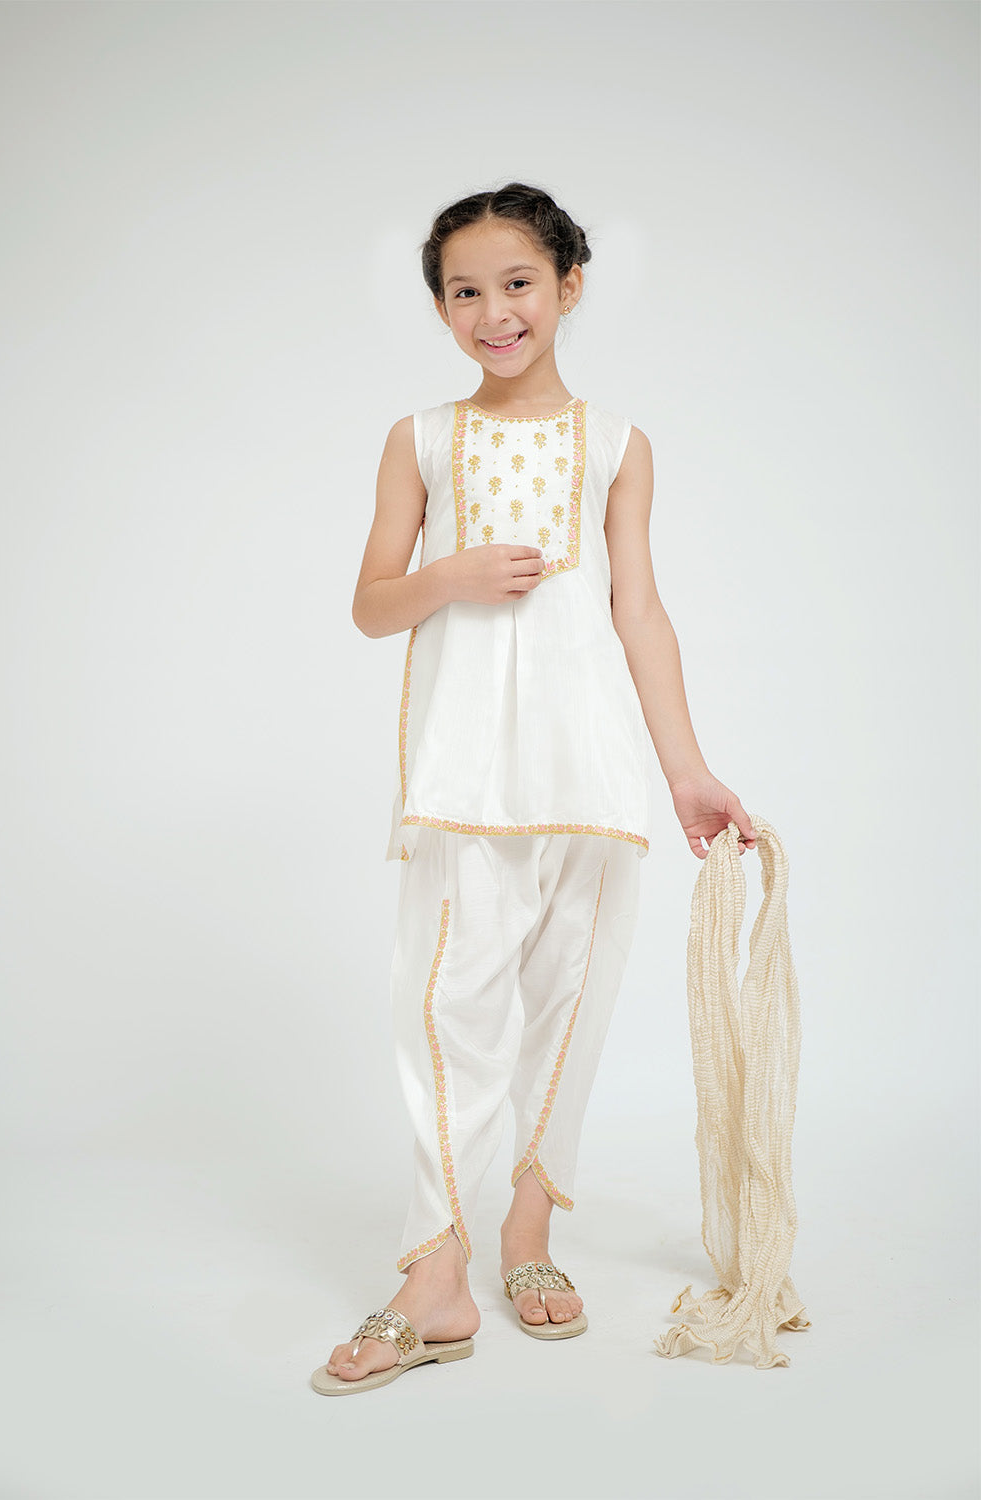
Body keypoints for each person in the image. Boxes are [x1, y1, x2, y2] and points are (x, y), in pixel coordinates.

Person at [311, 182, 756, 1396]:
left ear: (568, 285)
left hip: (593, 777)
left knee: (567, 1009)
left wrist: (685, 771)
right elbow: (370, 606)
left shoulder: (618, 444)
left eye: (517, 283)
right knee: (444, 1014)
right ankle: (435, 1275)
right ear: (440, 309)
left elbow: (638, 611)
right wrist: (448, 575)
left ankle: (527, 1234)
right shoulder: (420, 439)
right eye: (464, 291)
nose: (493, 311)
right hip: (463, 778)